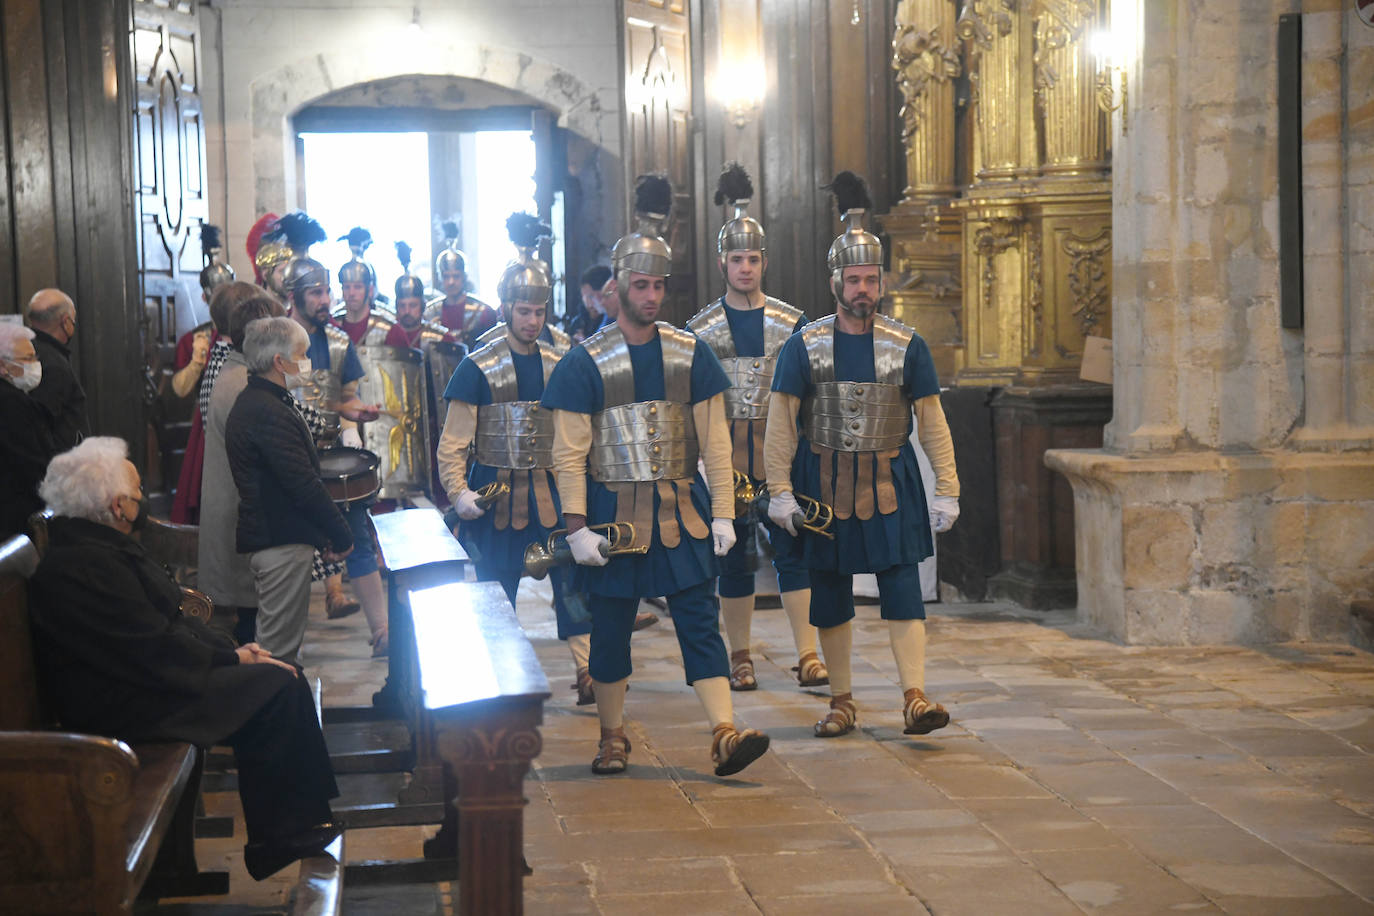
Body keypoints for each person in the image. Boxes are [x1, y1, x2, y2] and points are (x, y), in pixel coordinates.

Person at [27, 437, 340, 881]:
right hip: (123, 704)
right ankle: (281, 838)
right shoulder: (86, 564)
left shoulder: (96, 550)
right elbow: (151, 644)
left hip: (143, 682)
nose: (140, 505)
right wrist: (232, 663)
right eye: (138, 497)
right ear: (118, 507)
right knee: (278, 686)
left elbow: (169, 618)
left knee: (281, 675)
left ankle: (295, 826)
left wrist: (232, 653)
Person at [541, 175, 769, 778]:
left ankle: (724, 730)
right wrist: (575, 528)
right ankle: (612, 735)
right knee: (611, 632)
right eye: (638, 285)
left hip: (680, 508)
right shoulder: (585, 361)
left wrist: (723, 511)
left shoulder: (689, 352)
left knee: (699, 620)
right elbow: (568, 452)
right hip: (611, 515)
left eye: (657, 286)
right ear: (616, 289)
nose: (649, 295)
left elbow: (715, 442)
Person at [763, 171, 960, 739]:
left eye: (871, 279)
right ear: (835, 283)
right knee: (830, 594)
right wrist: (779, 490)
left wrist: (947, 486)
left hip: (890, 482)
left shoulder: (908, 346)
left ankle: (915, 698)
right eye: (854, 280)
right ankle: (842, 700)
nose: (863, 290)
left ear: (883, 282)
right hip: (819, 483)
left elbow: (933, 422)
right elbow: (781, 422)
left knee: (902, 589)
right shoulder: (805, 346)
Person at [437, 212, 598, 702]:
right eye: (524, 310)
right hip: (497, 496)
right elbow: (454, 441)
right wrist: (458, 492)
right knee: (496, 590)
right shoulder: (478, 366)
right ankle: (497, 674)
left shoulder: (562, 363)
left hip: (551, 493)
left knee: (572, 586)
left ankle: (588, 670)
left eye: (539, 311)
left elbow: (577, 434)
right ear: (506, 307)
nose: (532, 320)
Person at [686, 163, 826, 693]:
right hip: (724, 464)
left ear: (764, 261)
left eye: (753, 258)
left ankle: (808, 654)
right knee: (736, 561)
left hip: (780, 461)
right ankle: (739, 656)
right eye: (736, 258)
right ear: (723, 261)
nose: (745, 267)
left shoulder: (792, 323)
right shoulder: (700, 330)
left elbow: (807, 398)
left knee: (794, 557)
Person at [226, 316, 355, 664]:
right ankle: (272, 717)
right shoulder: (266, 410)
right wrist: (341, 534)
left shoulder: (268, 401)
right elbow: (302, 485)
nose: (307, 363)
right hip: (278, 541)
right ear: (278, 362)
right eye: (301, 354)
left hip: (280, 536)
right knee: (275, 655)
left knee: (279, 649)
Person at [280, 253, 389, 651]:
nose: (327, 299)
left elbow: (345, 398)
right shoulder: (275, 343)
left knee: (358, 538)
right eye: (317, 292)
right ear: (294, 296)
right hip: (288, 459)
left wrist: (356, 418)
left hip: (332, 458)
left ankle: (381, 630)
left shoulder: (340, 341)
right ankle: (281, 645)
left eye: (328, 290)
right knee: (287, 552)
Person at [199, 292, 285, 645]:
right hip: (245, 518)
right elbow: (273, 455)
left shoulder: (237, 371)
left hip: (243, 516)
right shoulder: (244, 383)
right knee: (255, 634)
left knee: (253, 627)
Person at [171, 279, 263, 525]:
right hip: (220, 448)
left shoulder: (232, 354)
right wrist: (196, 361)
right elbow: (179, 388)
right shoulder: (219, 355)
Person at [0, 322, 56, 537]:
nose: (36, 365)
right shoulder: (12, 403)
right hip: (16, 517)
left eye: (35, 357)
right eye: (28, 359)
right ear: (3, 365)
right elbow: (33, 465)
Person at [24, 288, 88, 451]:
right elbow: (41, 428)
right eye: (73, 321)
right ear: (65, 322)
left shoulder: (23, 352)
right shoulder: (55, 365)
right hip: (56, 467)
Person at [426, 220, 498, 348]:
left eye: (456, 276)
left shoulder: (483, 312)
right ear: (440, 278)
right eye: (446, 276)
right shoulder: (430, 312)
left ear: (463, 277)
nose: (451, 282)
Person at [332, 227, 396, 346]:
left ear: (370, 290)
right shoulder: (331, 327)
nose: (351, 293)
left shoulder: (391, 330)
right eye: (347, 287)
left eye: (357, 287)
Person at [385, 242, 453, 349]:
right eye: (402, 305)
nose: (407, 311)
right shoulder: (386, 337)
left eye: (412, 305)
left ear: (423, 305)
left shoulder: (441, 339)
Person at [566, 264, 611, 343]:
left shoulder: (613, 320)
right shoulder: (577, 323)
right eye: (585, 297)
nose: (589, 304)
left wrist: (585, 345)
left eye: (591, 296)